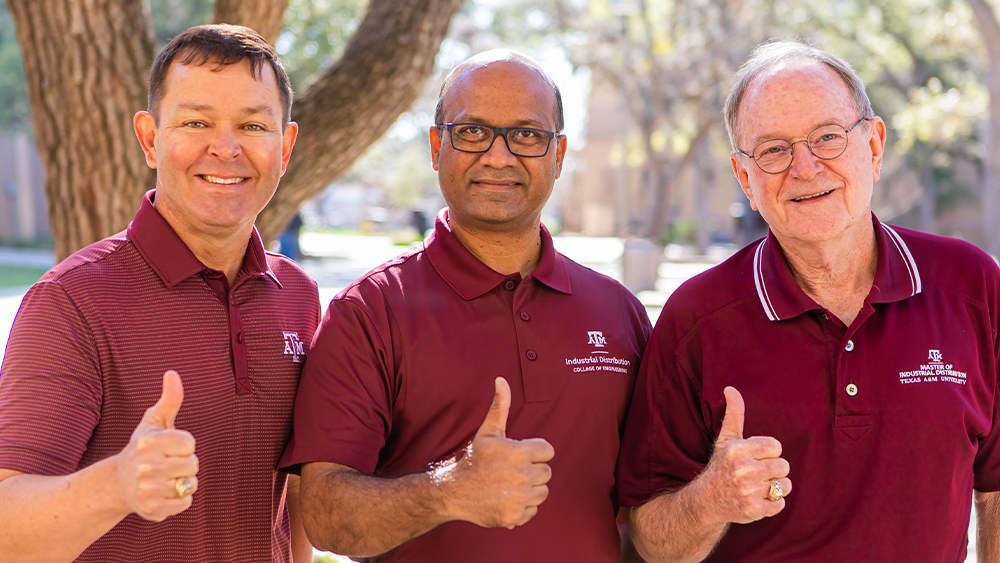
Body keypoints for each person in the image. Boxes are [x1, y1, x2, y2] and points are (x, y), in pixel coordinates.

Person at [616, 39, 1000, 562]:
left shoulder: (972, 285)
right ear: (744, 178)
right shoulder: (695, 320)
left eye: (827, 137)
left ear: (874, 145)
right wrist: (710, 501)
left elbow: (996, 487)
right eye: (774, 149)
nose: (804, 167)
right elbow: (648, 539)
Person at [279, 50, 651, 561]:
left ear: (559, 155)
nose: (498, 157)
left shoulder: (621, 314)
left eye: (526, 135)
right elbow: (325, 517)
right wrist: (448, 491)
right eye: (472, 132)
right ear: (437, 146)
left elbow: (646, 507)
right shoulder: (369, 311)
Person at [0, 24, 318, 562]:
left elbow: (292, 504)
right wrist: (117, 485)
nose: (225, 147)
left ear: (284, 146)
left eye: (253, 125)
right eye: (196, 121)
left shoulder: (298, 296)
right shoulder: (72, 302)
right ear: (149, 139)